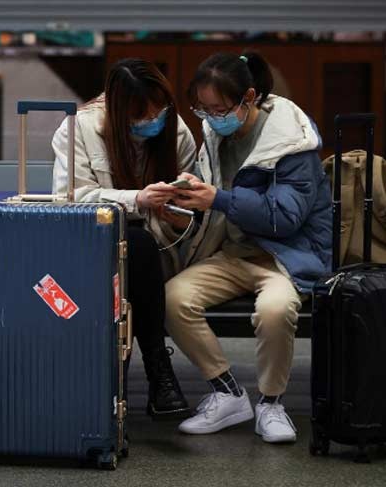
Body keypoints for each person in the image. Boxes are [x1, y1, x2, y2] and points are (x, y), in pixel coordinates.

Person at [166, 51, 331, 443]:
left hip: (287, 256)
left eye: (219, 108)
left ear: (249, 98)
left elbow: (285, 218)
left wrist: (216, 199)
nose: (210, 117)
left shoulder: (293, 142)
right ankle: (227, 393)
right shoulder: (216, 133)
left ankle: (271, 404)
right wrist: (185, 208)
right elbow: (217, 204)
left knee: (275, 310)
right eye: (202, 109)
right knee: (173, 297)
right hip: (235, 253)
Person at [52, 58, 195, 420]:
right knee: (134, 244)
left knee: (140, 247)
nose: (154, 122)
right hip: (91, 250)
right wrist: (137, 200)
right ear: (119, 112)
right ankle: (158, 366)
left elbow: (195, 217)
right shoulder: (77, 130)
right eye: (142, 117)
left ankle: (115, 385)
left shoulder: (176, 133)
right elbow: (71, 201)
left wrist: (179, 215)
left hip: (158, 251)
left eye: (160, 112)